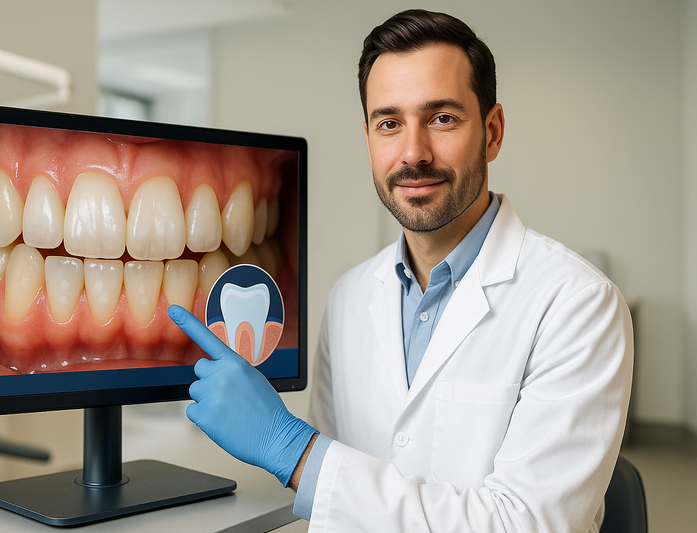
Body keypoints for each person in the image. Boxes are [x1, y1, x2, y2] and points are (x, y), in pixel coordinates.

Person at [168, 9, 633, 532]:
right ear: (368, 139)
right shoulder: (348, 297)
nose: (413, 153)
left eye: (442, 118)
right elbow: (336, 512)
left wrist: (292, 450)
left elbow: (526, 525)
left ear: (493, 132)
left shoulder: (578, 303)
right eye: (389, 123)